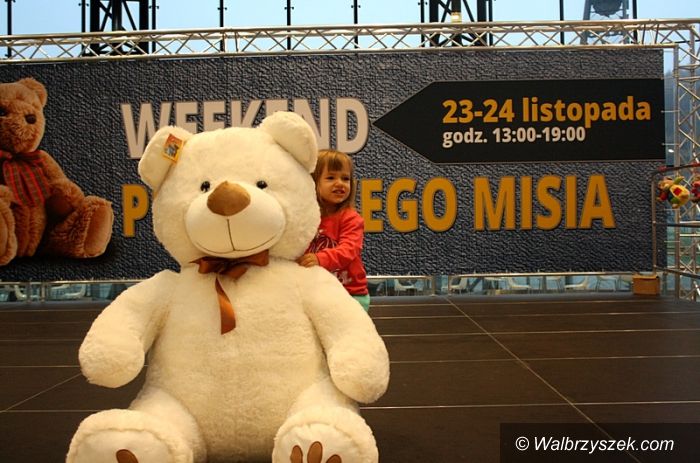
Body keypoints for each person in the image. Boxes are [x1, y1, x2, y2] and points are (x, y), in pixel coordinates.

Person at [297, 149, 370, 311]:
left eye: (345, 178)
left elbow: (349, 249)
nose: (340, 183)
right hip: (315, 293)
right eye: (331, 178)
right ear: (312, 182)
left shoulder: (351, 218)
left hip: (350, 294)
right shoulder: (305, 218)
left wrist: (320, 259)